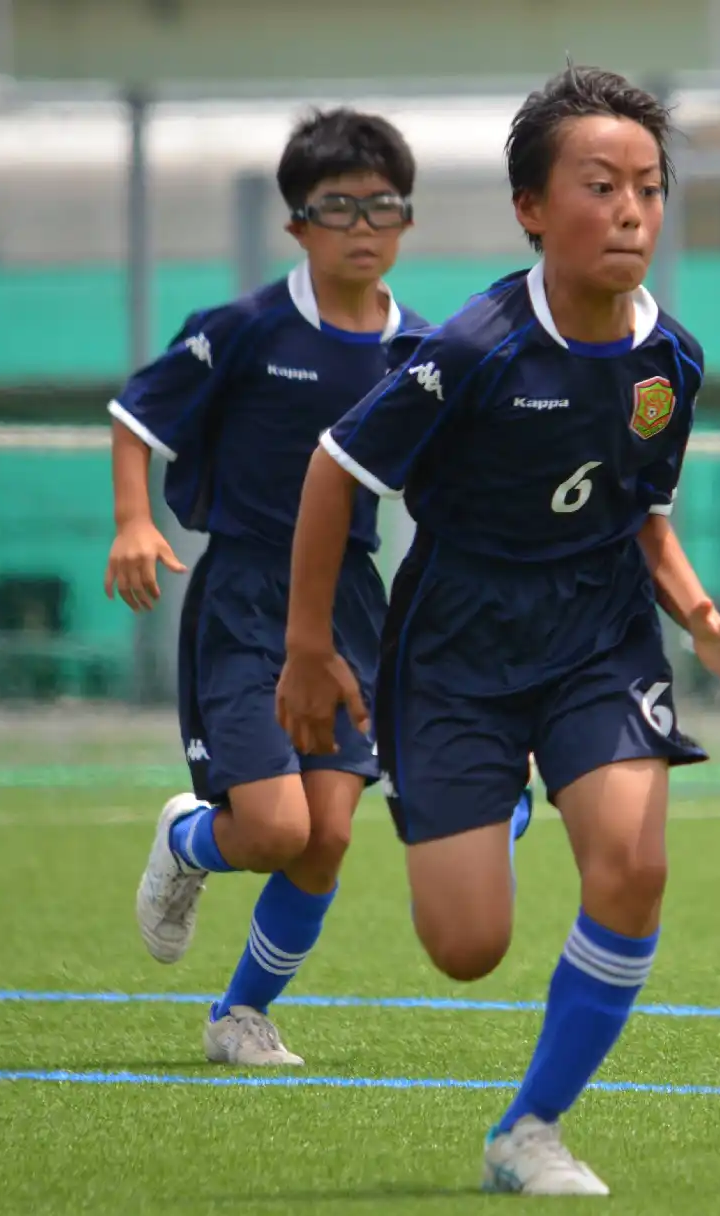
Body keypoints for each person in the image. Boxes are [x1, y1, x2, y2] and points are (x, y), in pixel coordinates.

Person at [276, 65, 720, 1196]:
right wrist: (312, 648)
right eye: (602, 185)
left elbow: (640, 509)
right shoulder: (472, 349)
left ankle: (530, 1127)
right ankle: (496, 797)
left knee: (634, 864)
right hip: (456, 649)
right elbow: (333, 467)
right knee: (466, 947)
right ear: (532, 208)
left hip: (598, 636)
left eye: (649, 186)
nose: (632, 211)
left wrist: (700, 614)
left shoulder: (671, 361)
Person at [109, 108, 532, 1068]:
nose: (362, 224)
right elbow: (138, 415)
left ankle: (239, 1016)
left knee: (326, 837)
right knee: (272, 826)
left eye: (383, 204)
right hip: (246, 595)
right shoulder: (248, 329)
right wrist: (135, 521)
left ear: (407, 221)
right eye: (337, 206)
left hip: (351, 602)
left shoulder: (426, 350)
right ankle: (191, 841)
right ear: (296, 222)